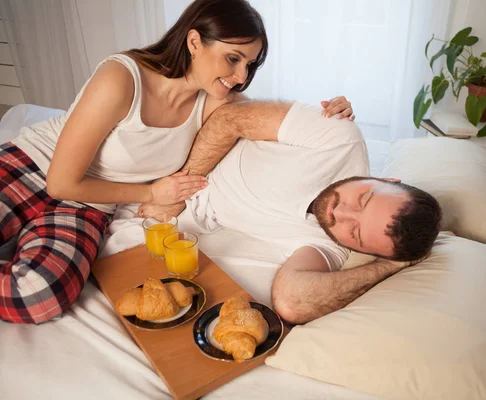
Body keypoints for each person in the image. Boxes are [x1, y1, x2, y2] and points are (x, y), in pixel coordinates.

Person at [0, 0, 354, 324]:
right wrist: (152, 193)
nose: (241, 76)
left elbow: (266, 117)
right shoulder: (122, 78)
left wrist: (326, 116)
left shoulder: (216, 103)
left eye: (249, 65)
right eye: (233, 58)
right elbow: (60, 183)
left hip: (91, 206)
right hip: (34, 165)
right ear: (195, 41)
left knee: (37, 297)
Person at [138, 100, 442, 325]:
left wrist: (386, 267)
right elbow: (229, 119)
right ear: (387, 180)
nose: (341, 212)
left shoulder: (330, 246)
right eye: (363, 198)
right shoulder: (340, 139)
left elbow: (291, 302)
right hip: (185, 152)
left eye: (355, 232)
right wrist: (177, 192)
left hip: (174, 214)